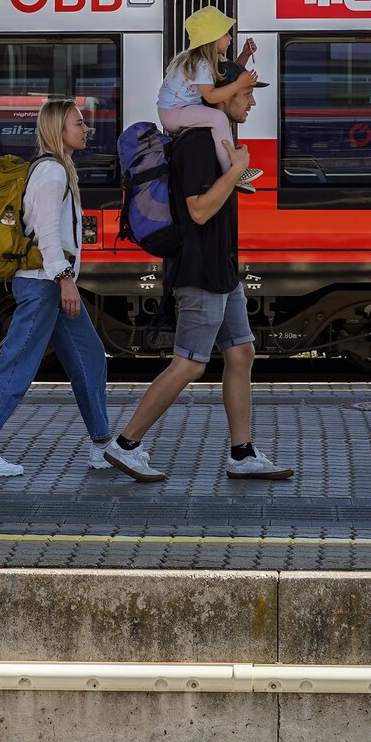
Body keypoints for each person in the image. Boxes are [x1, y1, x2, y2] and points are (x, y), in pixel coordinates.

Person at [105, 62, 294, 483]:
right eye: (246, 92)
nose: (252, 100)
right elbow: (198, 209)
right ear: (222, 95)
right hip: (199, 270)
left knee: (241, 354)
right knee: (190, 364)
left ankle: (242, 454)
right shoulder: (194, 142)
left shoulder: (217, 140)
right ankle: (125, 445)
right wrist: (234, 172)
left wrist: (232, 170)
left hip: (222, 269)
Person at [0, 97, 111, 477]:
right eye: (78, 123)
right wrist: (65, 281)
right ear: (58, 129)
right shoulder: (52, 174)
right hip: (43, 286)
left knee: (89, 357)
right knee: (18, 363)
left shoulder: (59, 170)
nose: (85, 128)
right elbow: (45, 235)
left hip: (50, 284)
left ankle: (102, 445)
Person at [157, 4, 263, 193]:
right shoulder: (202, 64)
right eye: (226, 34)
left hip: (174, 111)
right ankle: (231, 172)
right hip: (175, 113)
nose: (230, 38)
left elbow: (227, 77)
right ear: (212, 39)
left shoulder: (201, 60)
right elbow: (212, 96)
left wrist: (245, 55)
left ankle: (228, 164)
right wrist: (239, 85)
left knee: (218, 117)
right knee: (218, 117)